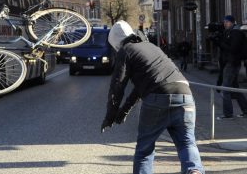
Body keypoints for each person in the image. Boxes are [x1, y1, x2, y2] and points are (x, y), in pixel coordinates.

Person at [101, 20, 204, 174]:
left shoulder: (126, 50)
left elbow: (117, 86)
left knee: (144, 150)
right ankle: (194, 171)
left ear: (116, 43)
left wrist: (110, 117)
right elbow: (140, 88)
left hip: (158, 98)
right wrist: (123, 111)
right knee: (187, 143)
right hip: (185, 94)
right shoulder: (152, 47)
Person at [210, 15, 247, 119]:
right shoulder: (229, 32)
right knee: (235, 89)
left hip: (232, 63)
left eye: (226, 22)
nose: (225, 24)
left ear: (232, 22)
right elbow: (225, 47)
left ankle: (228, 114)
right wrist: (217, 41)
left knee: (225, 89)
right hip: (229, 63)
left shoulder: (236, 33)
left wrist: (220, 43)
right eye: (224, 22)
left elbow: (233, 49)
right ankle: (245, 110)